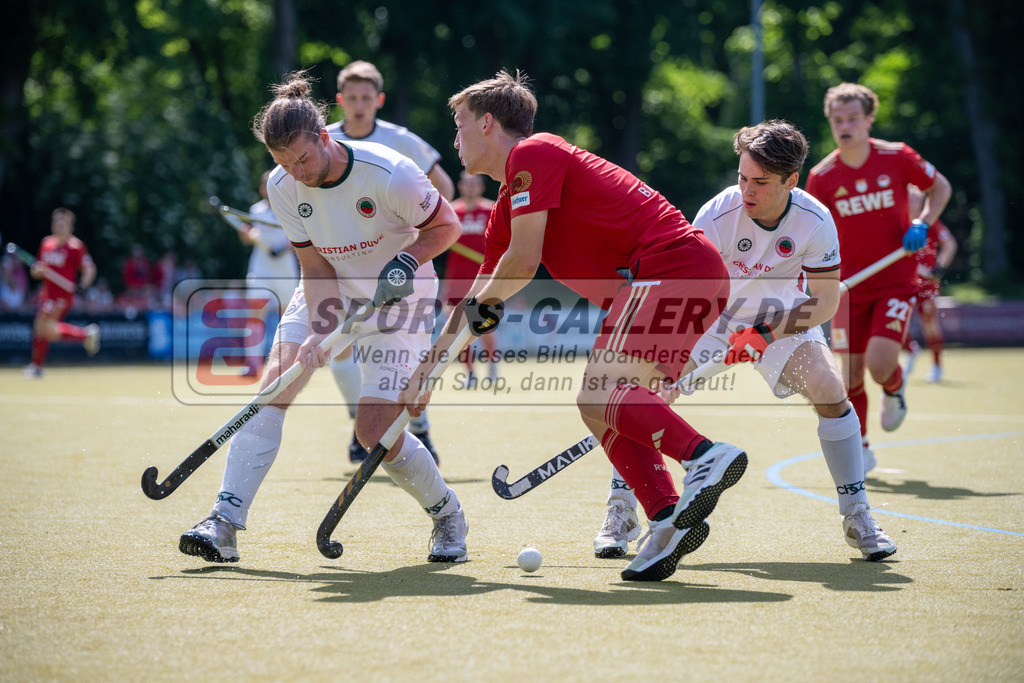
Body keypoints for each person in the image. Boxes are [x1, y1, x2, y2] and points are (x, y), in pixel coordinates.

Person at [399, 70, 747, 583]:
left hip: (669, 266)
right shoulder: (506, 211)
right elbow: (483, 295)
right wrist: (430, 365)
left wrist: (448, 348)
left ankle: (704, 456)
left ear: (488, 123)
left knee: (595, 395)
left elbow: (519, 267)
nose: (455, 139)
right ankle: (667, 518)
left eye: (460, 124)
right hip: (678, 278)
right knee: (605, 411)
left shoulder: (534, 153)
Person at [178, 72, 469, 565]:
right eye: (284, 164)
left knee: (375, 431)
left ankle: (447, 514)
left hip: (400, 300)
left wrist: (405, 260)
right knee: (274, 388)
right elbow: (313, 266)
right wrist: (320, 328)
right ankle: (224, 522)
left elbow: (447, 225)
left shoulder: (389, 172)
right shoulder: (283, 186)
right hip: (329, 287)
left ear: (324, 137)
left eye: (303, 158)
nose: (297, 172)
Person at [599, 121, 896, 562]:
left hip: (784, 319)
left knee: (830, 390)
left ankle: (857, 513)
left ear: (790, 181)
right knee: (643, 395)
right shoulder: (716, 215)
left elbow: (826, 302)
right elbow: (688, 291)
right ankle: (622, 510)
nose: (746, 190)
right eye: (742, 177)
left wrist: (765, 334)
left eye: (760, 182)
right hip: (709, 316)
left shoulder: (815, 220)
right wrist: (672, 361)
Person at [806, 82, 951, 471]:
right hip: (847, 288)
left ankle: (894, 386)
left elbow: (940, 187)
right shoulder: (822, 177)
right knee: (849, 374)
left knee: (879, 363)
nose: (845, 125)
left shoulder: (897, 157)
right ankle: (863, 447)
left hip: (895, 280)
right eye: (838, 120)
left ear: (869, 119)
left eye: (853, 118)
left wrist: (923, 222)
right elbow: (812, 232)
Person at [326, 59, 455, 463]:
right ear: (340, 100)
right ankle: (358, 424)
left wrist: (417, 244)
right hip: (344, 270)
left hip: (399, 269)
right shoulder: (322, 142)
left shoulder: (402, 141)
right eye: (352, 98)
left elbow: (445, 188)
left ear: (378, 100)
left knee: (402, 356)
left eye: (367, 98)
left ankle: (420, 431)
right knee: (339, 350)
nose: (359, 105)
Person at [236, 168, 300, 378]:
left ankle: (286, 365)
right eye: (267, 185)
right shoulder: (256, 210)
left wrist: (285, 247)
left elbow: (300, 236)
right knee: (255, 317)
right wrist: (245, 235)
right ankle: (252, 365)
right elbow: (251, 237)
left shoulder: (292, 206)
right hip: (261, 269)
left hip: (285, 269)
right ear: (262, 189)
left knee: (287, 319)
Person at [23, 208, 100, 378]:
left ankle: (37, 367)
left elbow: (89, 269)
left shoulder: (76, 247)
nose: (59, 227)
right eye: (56, 223)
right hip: (47, 295)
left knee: (42, 326)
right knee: (44, 329)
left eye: (63, 224)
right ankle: (85, 335)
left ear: (70, 226)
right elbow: (37, 271)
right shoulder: (46, 244)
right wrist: (37, 271)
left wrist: (83, 286)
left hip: (62, 297)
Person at [443, 171, 498, 384]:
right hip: (457, 280)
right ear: (460, 186)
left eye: (475, 183)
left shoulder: (492, 210)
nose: (471, 187)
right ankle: (470, 373)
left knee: (486, 325)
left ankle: (492, 365)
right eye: (467, 183)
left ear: (482, 187)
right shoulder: (450, 212)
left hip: (485, 279)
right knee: (458, 330)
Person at [902, 185, 957, 383]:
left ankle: (936, 365)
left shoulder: (928, 223)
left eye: (916, 199)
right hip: (903, 281)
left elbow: (950, 244)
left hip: (926, 285)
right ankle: (910, 351)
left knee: (929, 322)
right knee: (897, 321)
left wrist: (939, 268)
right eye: (909, 199)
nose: (912, 203)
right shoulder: (898, 223)